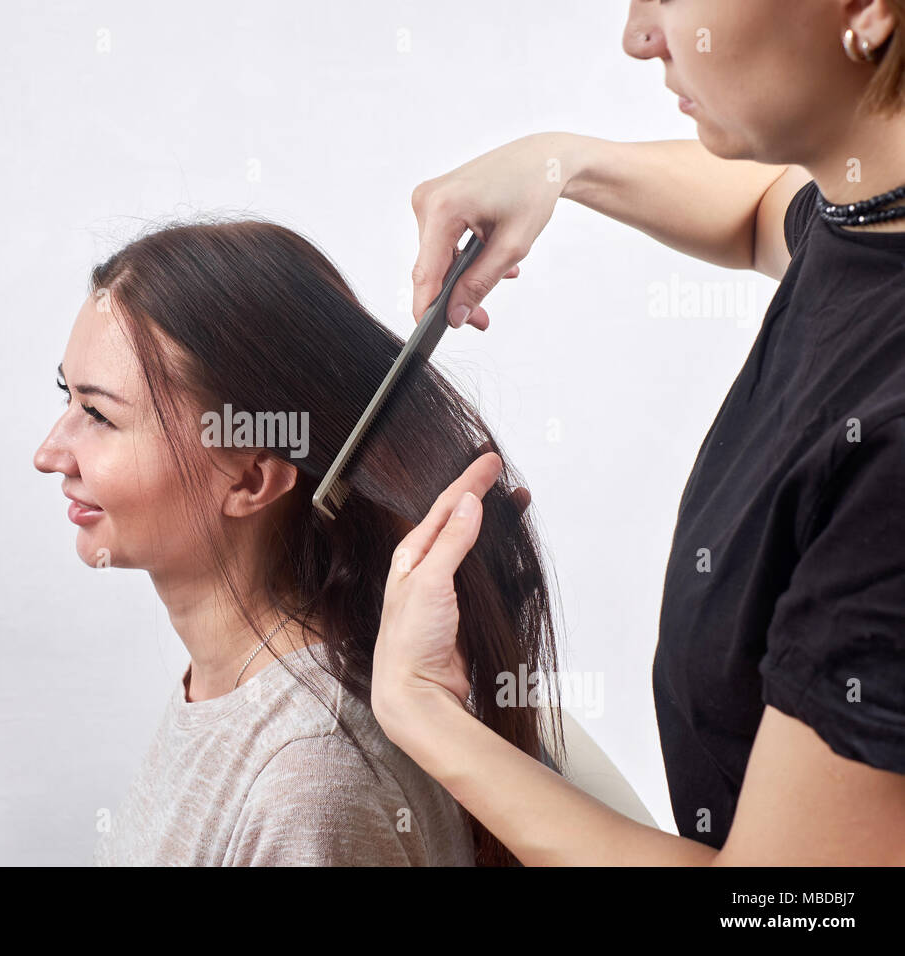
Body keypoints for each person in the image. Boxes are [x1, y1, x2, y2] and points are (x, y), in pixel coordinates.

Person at [371, 0, 905, 864]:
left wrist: (422, 709)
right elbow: (771, 208)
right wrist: (563, 164)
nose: (640, 35)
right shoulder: (865, 211)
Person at [35, 217, 559, 865]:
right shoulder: (235, 697)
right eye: (68, 396)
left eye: (98, 414)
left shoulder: (306, 782)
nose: (49, 454)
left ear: (251, 478)